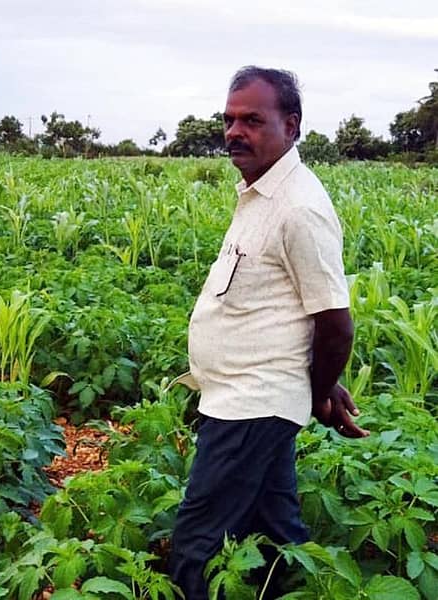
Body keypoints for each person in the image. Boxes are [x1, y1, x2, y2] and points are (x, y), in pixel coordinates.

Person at [169, 66, 370, 600]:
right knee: (279, 535)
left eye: (253, 120)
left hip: (251, 405)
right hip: (244, 397)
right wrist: (316, 387)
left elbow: (334, 323)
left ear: (292, 126)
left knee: (197, 543)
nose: (235, 131)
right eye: (230, 119)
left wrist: (320, 388)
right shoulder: (260, 193)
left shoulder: (298, 207)